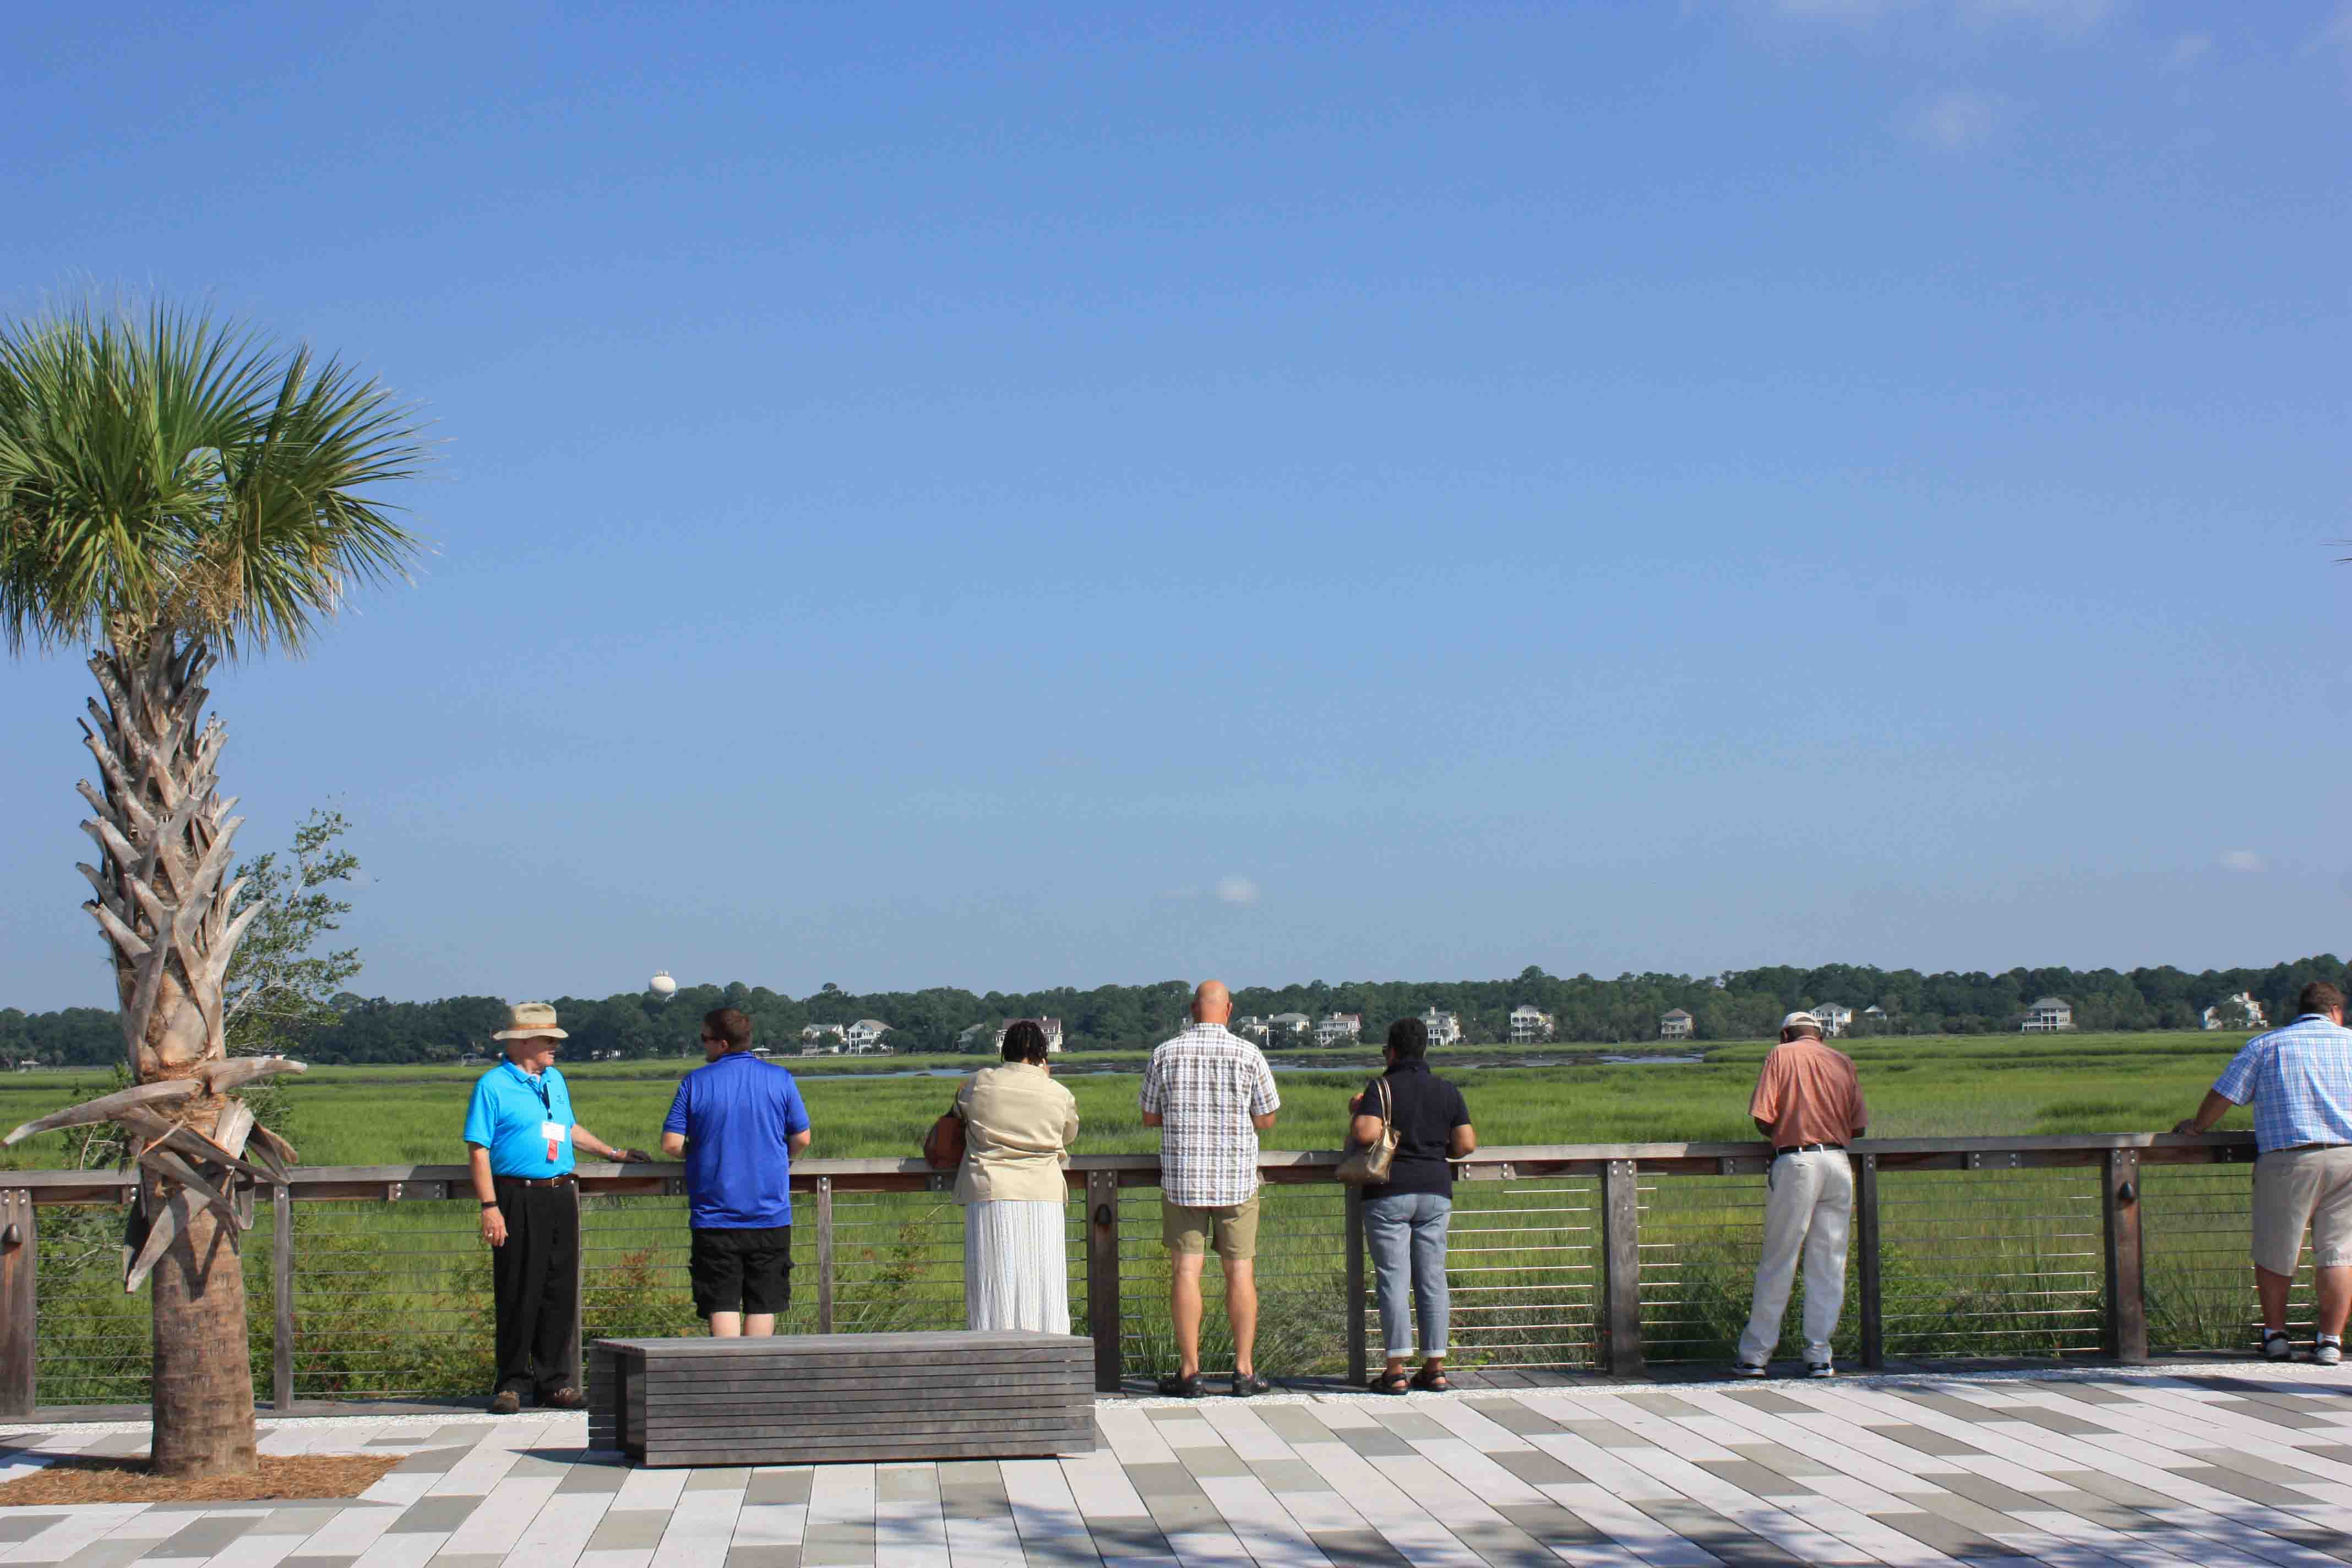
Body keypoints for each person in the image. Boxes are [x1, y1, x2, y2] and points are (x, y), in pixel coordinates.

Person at [463, 1002, 650, 1414]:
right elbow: (478, 1150)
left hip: (561, 1193)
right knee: (517, 1290)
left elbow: (566, 1127)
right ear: (524, 1042)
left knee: (558, 1290)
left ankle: (554, 1382)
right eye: (550, 1040)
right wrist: (490, 1206)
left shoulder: (555, 1081)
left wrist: (611, 1152)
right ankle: (511, 1383)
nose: (556, 1048)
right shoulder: (493, 1086)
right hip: (517, 1195)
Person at [2173, 981, 2352, 1365]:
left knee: (2277, 1249)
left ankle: (2276, 1337)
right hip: (2349, 1158)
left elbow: (2225, 1094)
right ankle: (2330, 1343)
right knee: (2339, 1253)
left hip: (2290, 1158)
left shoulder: (2267, 1045)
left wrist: (2197, 1127)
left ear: (2299, 1010)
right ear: (2337, 1011)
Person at [1140, 980, 1280, 1397]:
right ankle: (1243, 1370)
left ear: (1192, 1009)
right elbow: (1268, 1116)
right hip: (1236, 1181)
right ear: (1229, 1010)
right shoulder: (1248, 1054)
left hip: (1183, 1179)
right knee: (1239, 1271)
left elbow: (1149, 1117)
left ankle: (1189, 1373)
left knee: (1186, 1272)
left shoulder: (1165, 1053)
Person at [660, 1007, 812, 1337]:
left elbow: (671, 1144)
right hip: (770, 1214)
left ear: (722, 1043)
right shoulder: (780, 1079)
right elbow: (802, 1137)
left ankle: (724, 1379)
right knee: (764, 1302)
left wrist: (701, 1154)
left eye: (705, 1039)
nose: (703, 1046)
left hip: (714, 1217)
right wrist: (779, 1155)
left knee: (721, 1302)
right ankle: (756, 1381)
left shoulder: (695, 1082)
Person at [1733, 1010, 1868, 1379]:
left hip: (1797, 1163)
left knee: (1780, 1258)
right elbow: (1858, 1127)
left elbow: (1763, 1118)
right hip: (1839, 1164)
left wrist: (1788, 1128)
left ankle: (1755, 1356)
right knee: (1829, 1262)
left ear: (1784, 1035)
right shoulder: (1843, 1061)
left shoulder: (1781, 1056)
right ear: (1820, 1035)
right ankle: (1819, 1356)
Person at [1350, 1016, 1476, 1394]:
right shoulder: (1446, 1090)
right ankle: (1435, 1367)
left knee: (1394, 1278)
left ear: (1391, 1051)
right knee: (1433, 1279)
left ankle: (1396, 1369)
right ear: (1424, 1050)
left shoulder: (1381, 1087)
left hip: (1389, 1193)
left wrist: (1358, 1107)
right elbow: (1467, 1144)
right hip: (1436, 1192)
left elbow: (1366, 1133)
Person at [953, 1019, 1081, 1332]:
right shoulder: (1059, 1093)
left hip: (990, 1193)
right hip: (1044, 1195)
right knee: (1044, 1286)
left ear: (1004, 1050)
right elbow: (1068, 1135)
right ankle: (1048, 1358)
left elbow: (960, 1112)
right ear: (1043, 1053)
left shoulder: (980, 1083)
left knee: (992, 1286)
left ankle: (991, 1359)